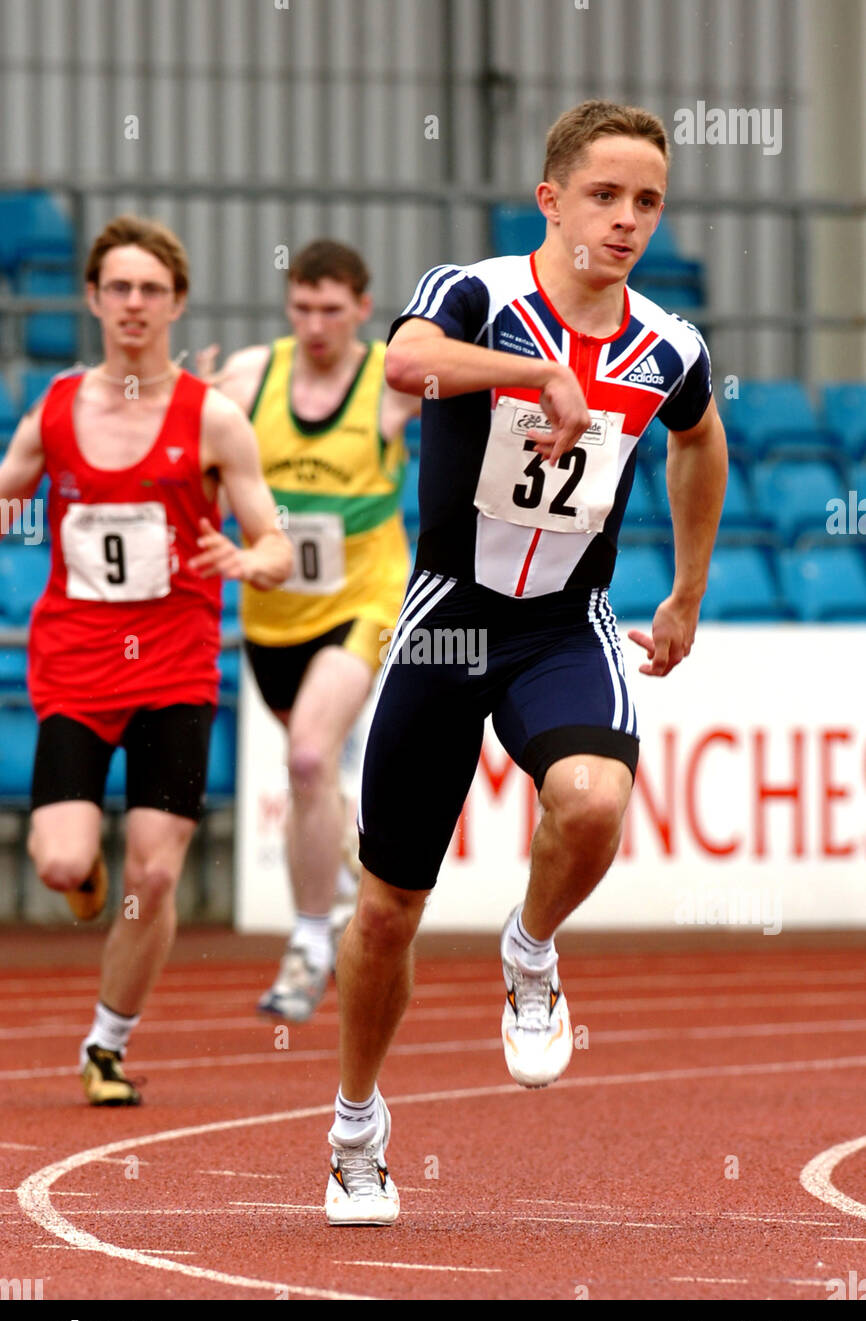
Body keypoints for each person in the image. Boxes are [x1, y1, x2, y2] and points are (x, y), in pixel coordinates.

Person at [323, 99, 728, 1223]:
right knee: (387, 912)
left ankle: (529, 948)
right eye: (603, 195)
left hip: (564, 624)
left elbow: (697, 437)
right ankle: (357, 1125)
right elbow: (403, 362)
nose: (626, 219)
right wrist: (529, 377)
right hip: (446, 623)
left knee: (593, 804)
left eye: (646, 200)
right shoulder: (477, 292)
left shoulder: (667, 345)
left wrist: (687, 588)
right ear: (550, 198)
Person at [0, 214, 292, 1105]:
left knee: (157, 871)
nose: (134, 304)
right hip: (77, 667)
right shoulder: (52, 411)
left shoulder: (215, 420)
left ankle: (106, 1043)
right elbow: (7, 498)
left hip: (174, 666)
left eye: (151, 290)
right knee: (60, 865)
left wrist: (249, 562)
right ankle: (79, 867)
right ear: (92, 298)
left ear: (177, 303)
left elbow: (277, 542)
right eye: (118, 288)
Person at [198, 240, 419, 1023]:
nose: (317, 324)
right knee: (311, 777)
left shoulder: (390, 378)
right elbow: (188, 449)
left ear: (362, 308)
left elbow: (473, 398)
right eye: (303, 308)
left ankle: (307, 946)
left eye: (333, 309)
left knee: (307, 753)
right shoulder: (254, 376)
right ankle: (338, 891)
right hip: (273, 609)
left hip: (364, 597)